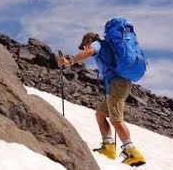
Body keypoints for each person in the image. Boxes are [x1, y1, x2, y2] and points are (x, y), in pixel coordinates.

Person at [58, 32, 146, 167]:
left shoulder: (97, 44)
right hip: (116, 84)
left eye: (85, 44)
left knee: (116, 119)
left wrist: (70, 62)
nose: (85, 47)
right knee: (100, 114)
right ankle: (108, 147)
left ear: (88, 40)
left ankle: (133, 153)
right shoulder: (106, 47)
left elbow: (89, 52)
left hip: (118, 83)